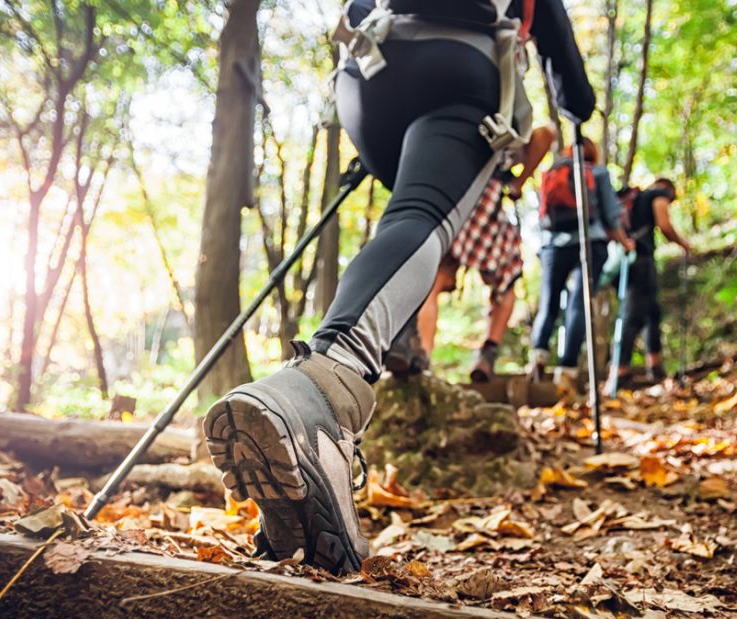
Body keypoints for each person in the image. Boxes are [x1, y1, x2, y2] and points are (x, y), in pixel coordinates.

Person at [202, 0, 595, 574]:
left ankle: (397, 347)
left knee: (407, 212)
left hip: (366, 78)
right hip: (457, 70)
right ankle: (324, 392)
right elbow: (571, 88)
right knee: (420, 218)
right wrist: (574, 108)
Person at [387, 125, 556, 382]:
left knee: (433, 281)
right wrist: (518, 183)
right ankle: (487, 353)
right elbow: (547, 133)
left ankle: (420, 355)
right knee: (505, 279)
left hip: (448, 198)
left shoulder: (447, 125)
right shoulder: (501, 121)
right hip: (486, 202)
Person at [526, 137, 627, 392]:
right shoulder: (597, 172)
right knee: (578, 305)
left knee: (548, 304)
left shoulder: (551, 172)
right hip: (589, 243)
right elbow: (611, 217)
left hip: (552, 246)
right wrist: (625, 242)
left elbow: (542, 216)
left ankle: (537, 357)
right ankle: (566, 371)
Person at [612, 177, 692, 385]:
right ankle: (620, 371)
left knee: (651, 312)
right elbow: (664, 224)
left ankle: (654, 367)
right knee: (632, 315)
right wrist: (683, 243)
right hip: (640, 259)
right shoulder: (658, 194)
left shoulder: (634, 199)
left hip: (624, 261)